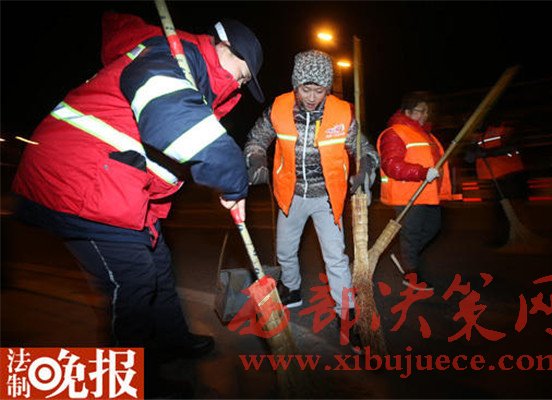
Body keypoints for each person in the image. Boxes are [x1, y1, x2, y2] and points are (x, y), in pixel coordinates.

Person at [11, 11, 264, 395]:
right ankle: (133, 383)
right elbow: (170, 118)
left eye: (244, 82)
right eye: (241, 74)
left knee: (158, 264)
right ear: (223, 46)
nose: (239, 85)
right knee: (134, 282)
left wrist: (152, 216)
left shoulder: (197, 78)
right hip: (79, 178)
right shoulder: (174, 56)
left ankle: (173, 339)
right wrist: (233, 181)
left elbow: (159, 165)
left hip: (116, 182)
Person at [243, 49, 379, 352]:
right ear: (296, 84)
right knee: (285, 250)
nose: (313, 97)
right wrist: (256, 159)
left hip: (327, 198)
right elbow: (256, 140)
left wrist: (365, 169)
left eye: (320, 90)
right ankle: (292, 289)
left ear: (327, 88)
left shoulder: (342, 113)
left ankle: (346, 316)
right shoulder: (279, 108)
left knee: (336, 258)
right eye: (306, 89)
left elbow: (366, 150)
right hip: (290, 195)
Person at [377, 92, 452, 289]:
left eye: (427, 111)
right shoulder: (395, 133)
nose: (425, 115)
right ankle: (410, 272)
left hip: (428, 194)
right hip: (407, 194)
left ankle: (406, 256)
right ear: (407, 112)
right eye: (420, 111)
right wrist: (422, 172)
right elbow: (391, 164)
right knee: (411, 234)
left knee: (433, 228)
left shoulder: (426, 135)